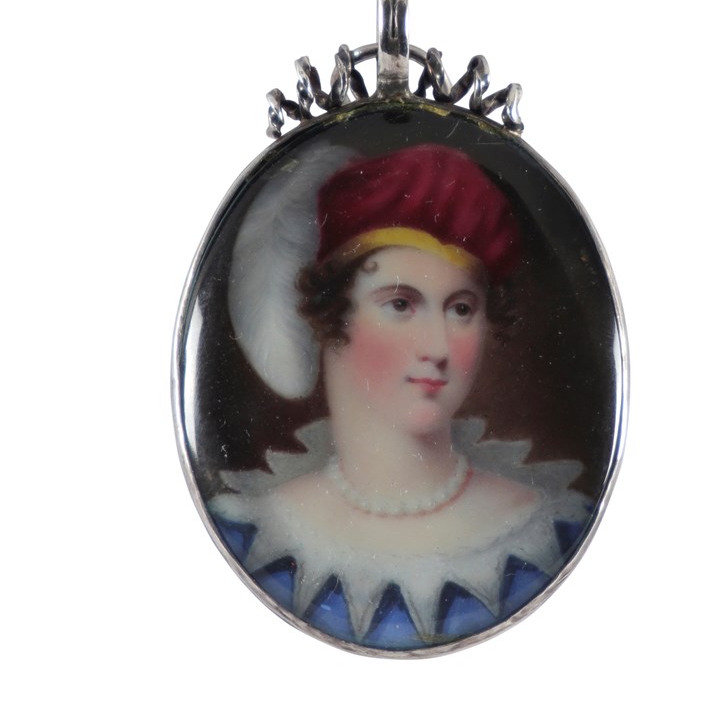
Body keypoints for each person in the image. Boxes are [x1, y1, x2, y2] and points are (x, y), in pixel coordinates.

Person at [210, 145, 590, 651]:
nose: (437, 348)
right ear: (332, 313)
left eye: (460, 309)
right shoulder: (254, 536)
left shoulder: (552, 535)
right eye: (401, 304)